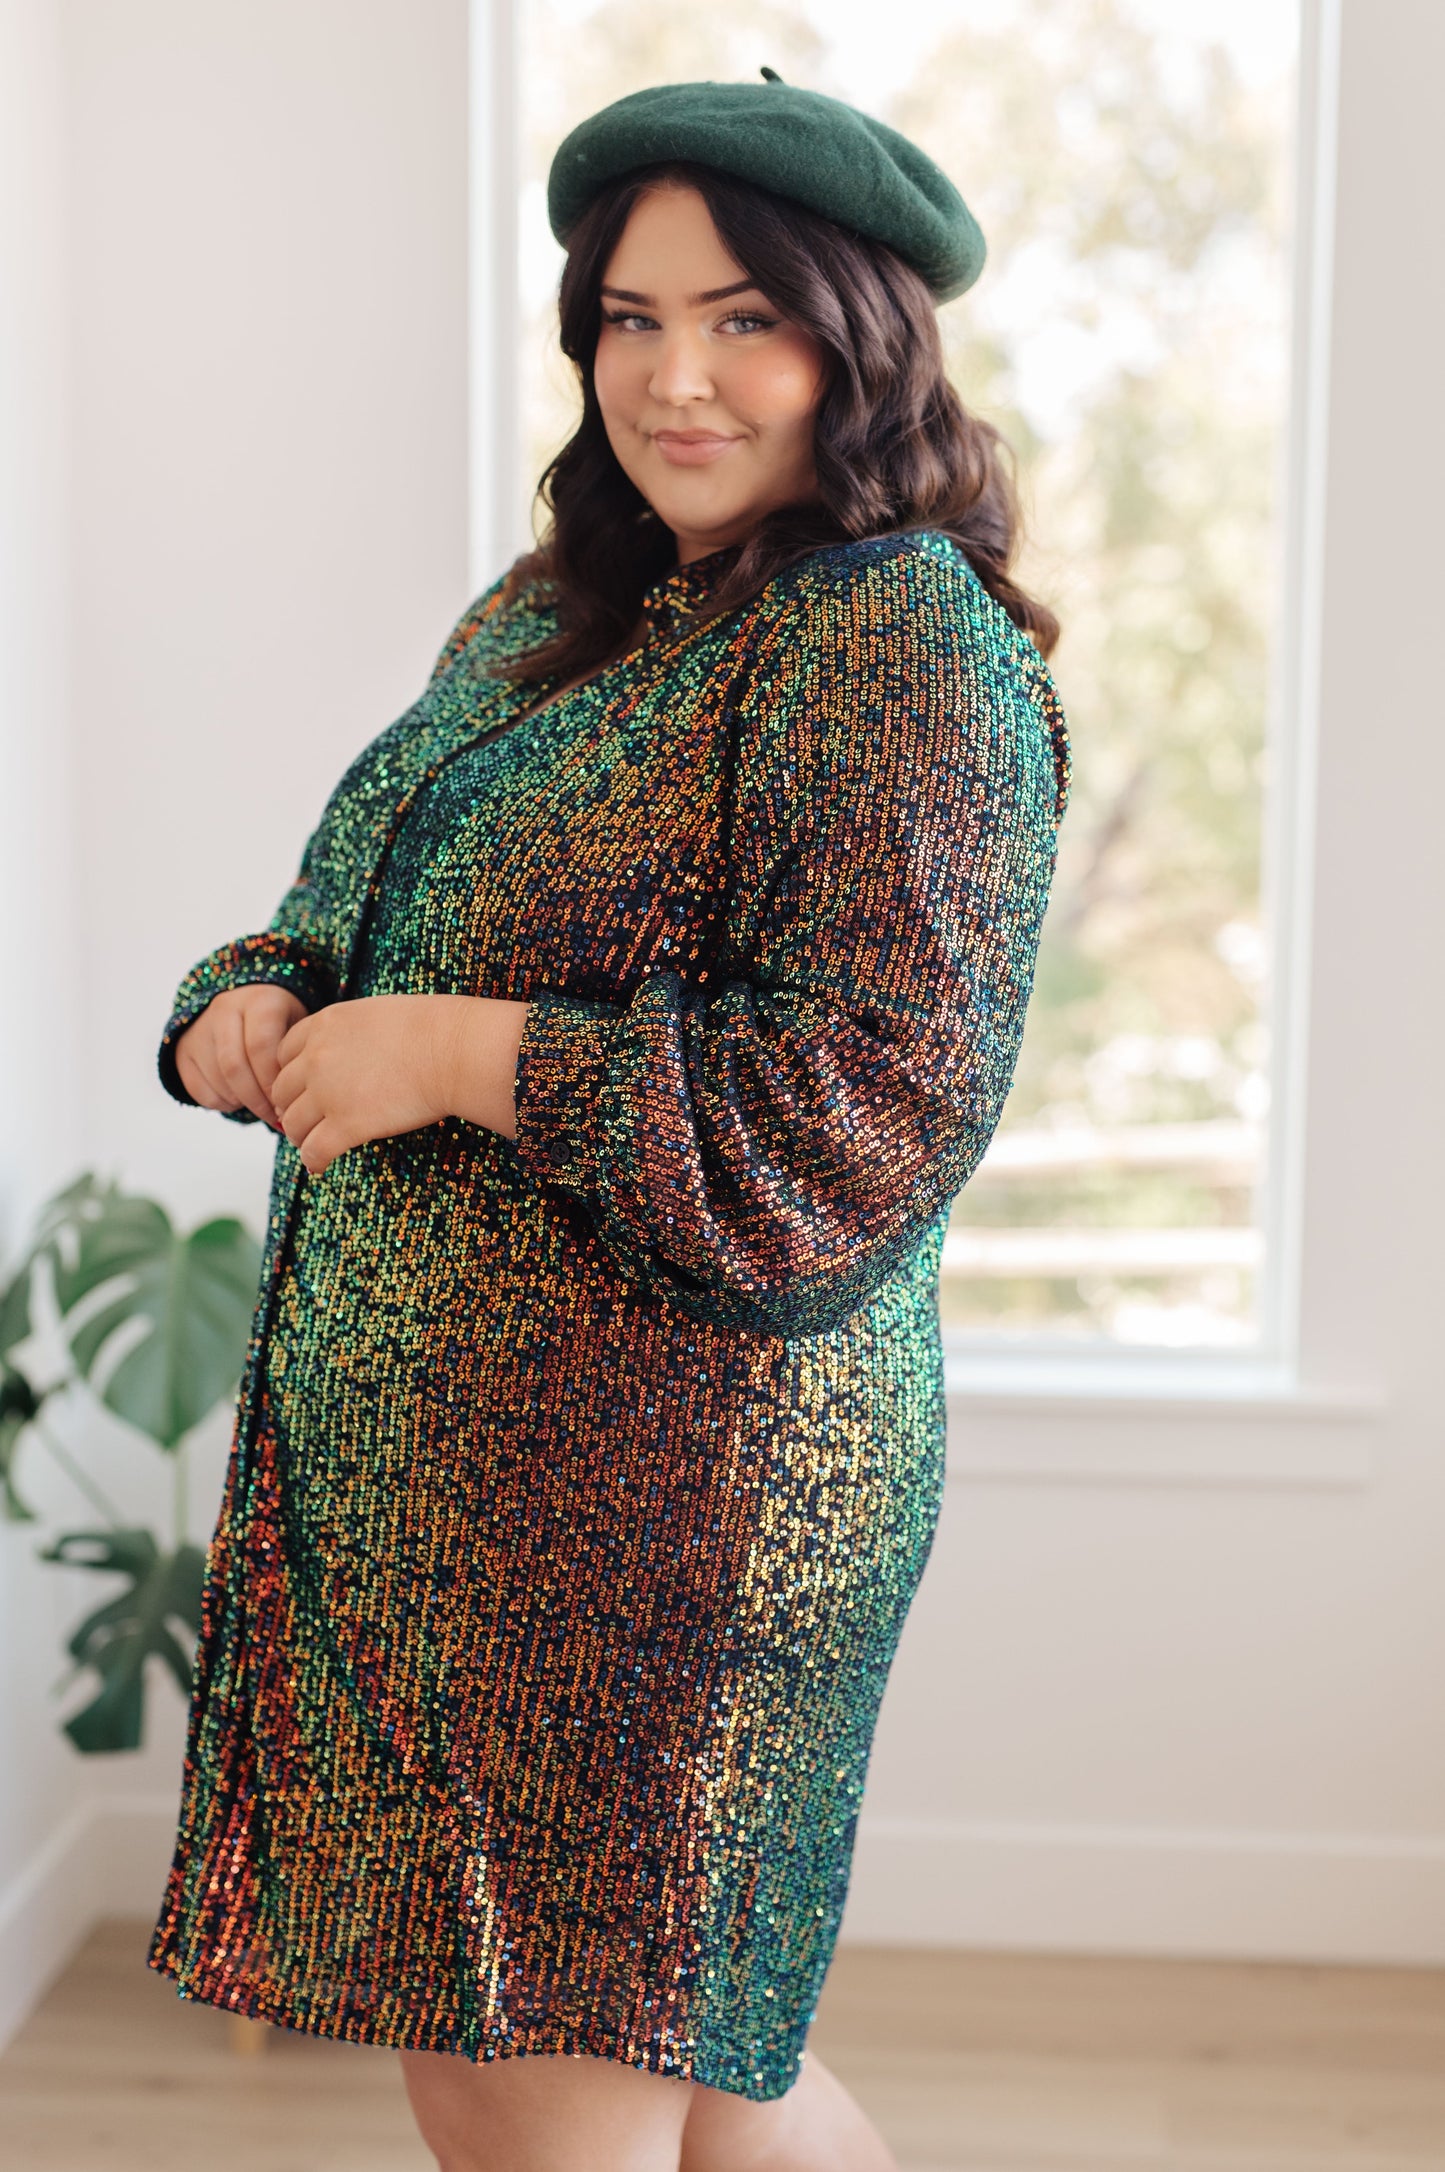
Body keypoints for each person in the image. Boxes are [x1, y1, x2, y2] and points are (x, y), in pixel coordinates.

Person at [147, 70, 1070, 2172]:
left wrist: (472, 1059)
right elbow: (356, 903)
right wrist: (252, 1006)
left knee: (554, 2078)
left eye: (745, 318)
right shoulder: (551, 612)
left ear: (864, 337)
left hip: (668, 1514)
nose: (675, 376)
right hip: (449, 1504)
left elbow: (863, 1113)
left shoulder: (894, 639)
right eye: (631, 317)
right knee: (664, 2074)